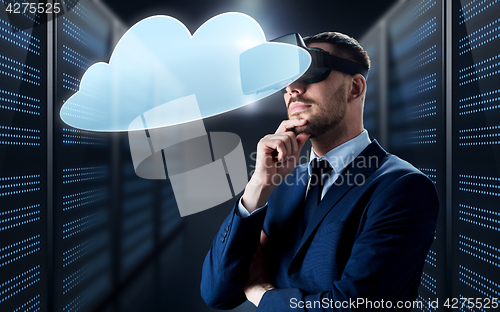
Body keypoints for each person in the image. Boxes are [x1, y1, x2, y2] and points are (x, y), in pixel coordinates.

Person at [200, 32, 439, 311]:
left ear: (355, 88)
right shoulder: (281, 185)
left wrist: (262, 296)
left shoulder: (402, 188)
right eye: (286, 80)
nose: (292, 88)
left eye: (309, 72)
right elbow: (217, 292)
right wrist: (257, 188)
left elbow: (354, 305)